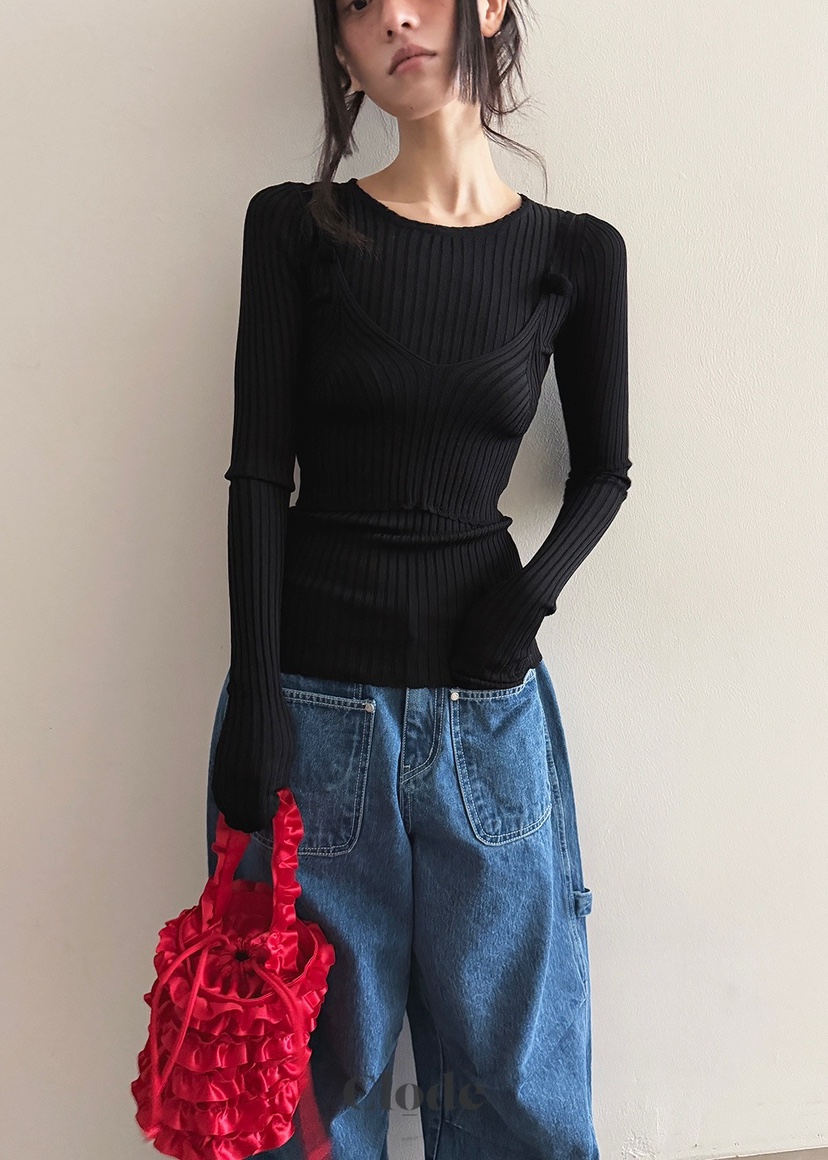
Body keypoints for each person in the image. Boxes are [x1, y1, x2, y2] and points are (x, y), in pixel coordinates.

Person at [206, 0, 631, 1156]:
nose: (392, 15)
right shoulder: (295, 229)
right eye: (354, 5)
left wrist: (523, 603)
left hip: (488, 717)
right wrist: (259, 699)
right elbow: (258, 474)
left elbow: (603, 472)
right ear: (342, 52)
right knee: (304, 1100)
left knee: (512, 1089)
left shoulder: (575, 253)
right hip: (310, 713)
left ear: (489, 5)